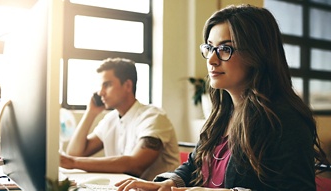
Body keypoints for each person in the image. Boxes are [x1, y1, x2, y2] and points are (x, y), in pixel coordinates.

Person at [115, 4, 329, 191]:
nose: (212, 60)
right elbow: (193, 163)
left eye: (225, 49)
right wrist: (171, 182)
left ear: (257, 54)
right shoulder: (223, 112)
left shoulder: (284, 118)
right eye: (209, 48)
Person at [59, 57, 180, 181]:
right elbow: (74, 153)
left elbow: (135, 165)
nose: (100, 93)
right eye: (100, 86)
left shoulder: (154, 117)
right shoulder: (110, 119)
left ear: (127, 85)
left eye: (107, 85)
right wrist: (90, 113)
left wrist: (73, 162)